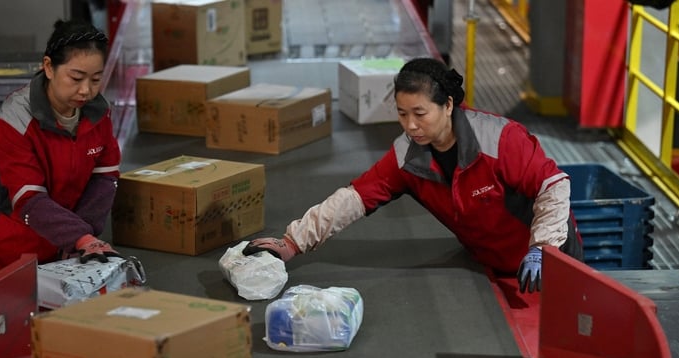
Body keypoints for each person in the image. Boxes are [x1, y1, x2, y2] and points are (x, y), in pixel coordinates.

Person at [246, 57, 583, 293]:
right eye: (402, 113)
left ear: (448, 105)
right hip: (490, 263)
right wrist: (291, 243)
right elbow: (355, 197)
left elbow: (552, 185)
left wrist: (542, 248)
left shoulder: (500, 139)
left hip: (550, 261)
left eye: (420, 113)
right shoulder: (408, 158)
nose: (410, 125)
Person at [0, 19, 121, 275]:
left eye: (96, 79)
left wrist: (81, 237)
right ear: (49, 67)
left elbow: (105, 178)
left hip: (73, 247)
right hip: (18, 248)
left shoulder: (99, 112)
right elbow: (28, 199)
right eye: (76, 77)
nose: (86, 90)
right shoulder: (15, 120)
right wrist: (80, 237)